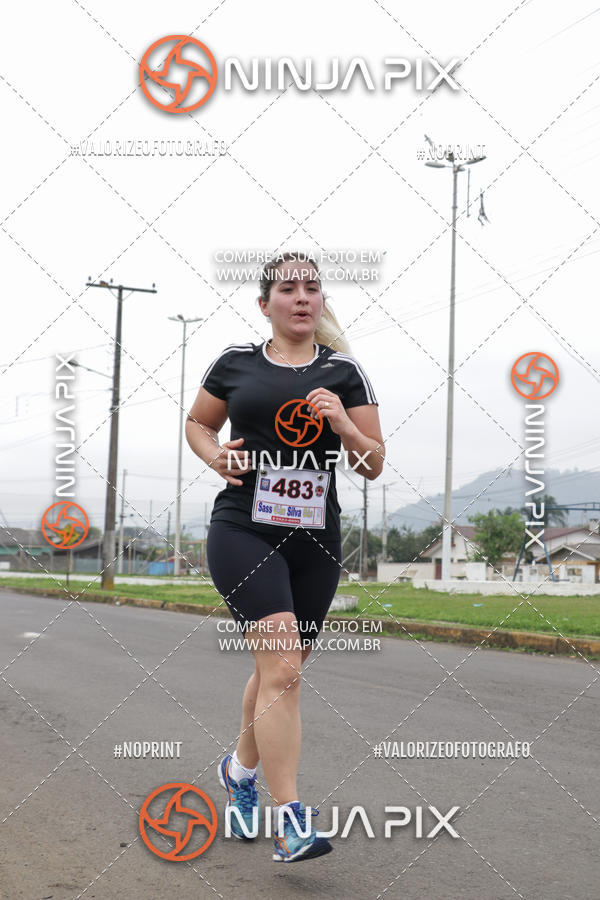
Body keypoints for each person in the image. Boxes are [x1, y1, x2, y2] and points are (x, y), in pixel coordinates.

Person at [185, 251, 384, 863]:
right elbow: (197, 424)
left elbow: (372, 461)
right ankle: (289, 819)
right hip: (243, 527)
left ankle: (240, 774)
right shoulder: (235, 363)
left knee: (279, 672)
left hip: (315, 536)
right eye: (289, 289)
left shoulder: (346, 373)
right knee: (285, 672)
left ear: (321, 303)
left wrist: (342, 427)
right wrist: (217, 457)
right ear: (265, 302)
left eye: (313, 289)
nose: (302, 297)